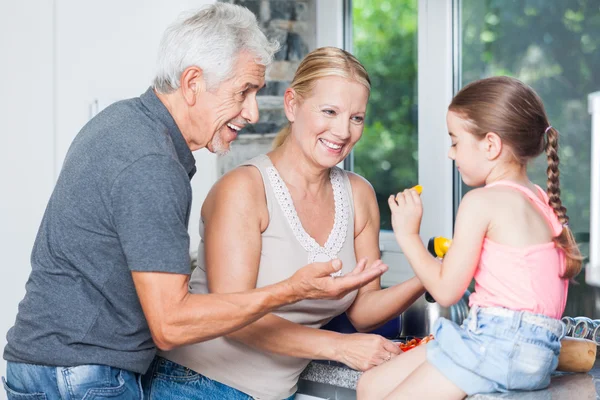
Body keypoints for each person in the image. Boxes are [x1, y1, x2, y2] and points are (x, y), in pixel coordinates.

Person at [2, 4, 389, 399]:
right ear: (192, 83)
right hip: (80, 374)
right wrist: (291, 290)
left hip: (54, 366)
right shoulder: (152, 162)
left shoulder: (127, 125)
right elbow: (171, 326)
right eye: (244, 91)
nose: (252, 112)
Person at [144, 46, 426, 400]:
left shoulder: (358, 194)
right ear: (292, 104)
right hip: (193, 384)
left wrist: (432, 272)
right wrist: (339, 347)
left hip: (275, 393)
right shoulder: (244, 189)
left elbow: (363, 312)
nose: (343, 131)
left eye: (356, 118)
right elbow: (234, 320)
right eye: (329, 111)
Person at [357, 76, 583, 399]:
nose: (451, 153)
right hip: (530, 352)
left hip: (496, 347)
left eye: (455, 141)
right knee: (369, 386)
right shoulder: (539, 199)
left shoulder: (480, 202)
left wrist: (408, 235)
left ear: (491, 145)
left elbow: (447, 291)